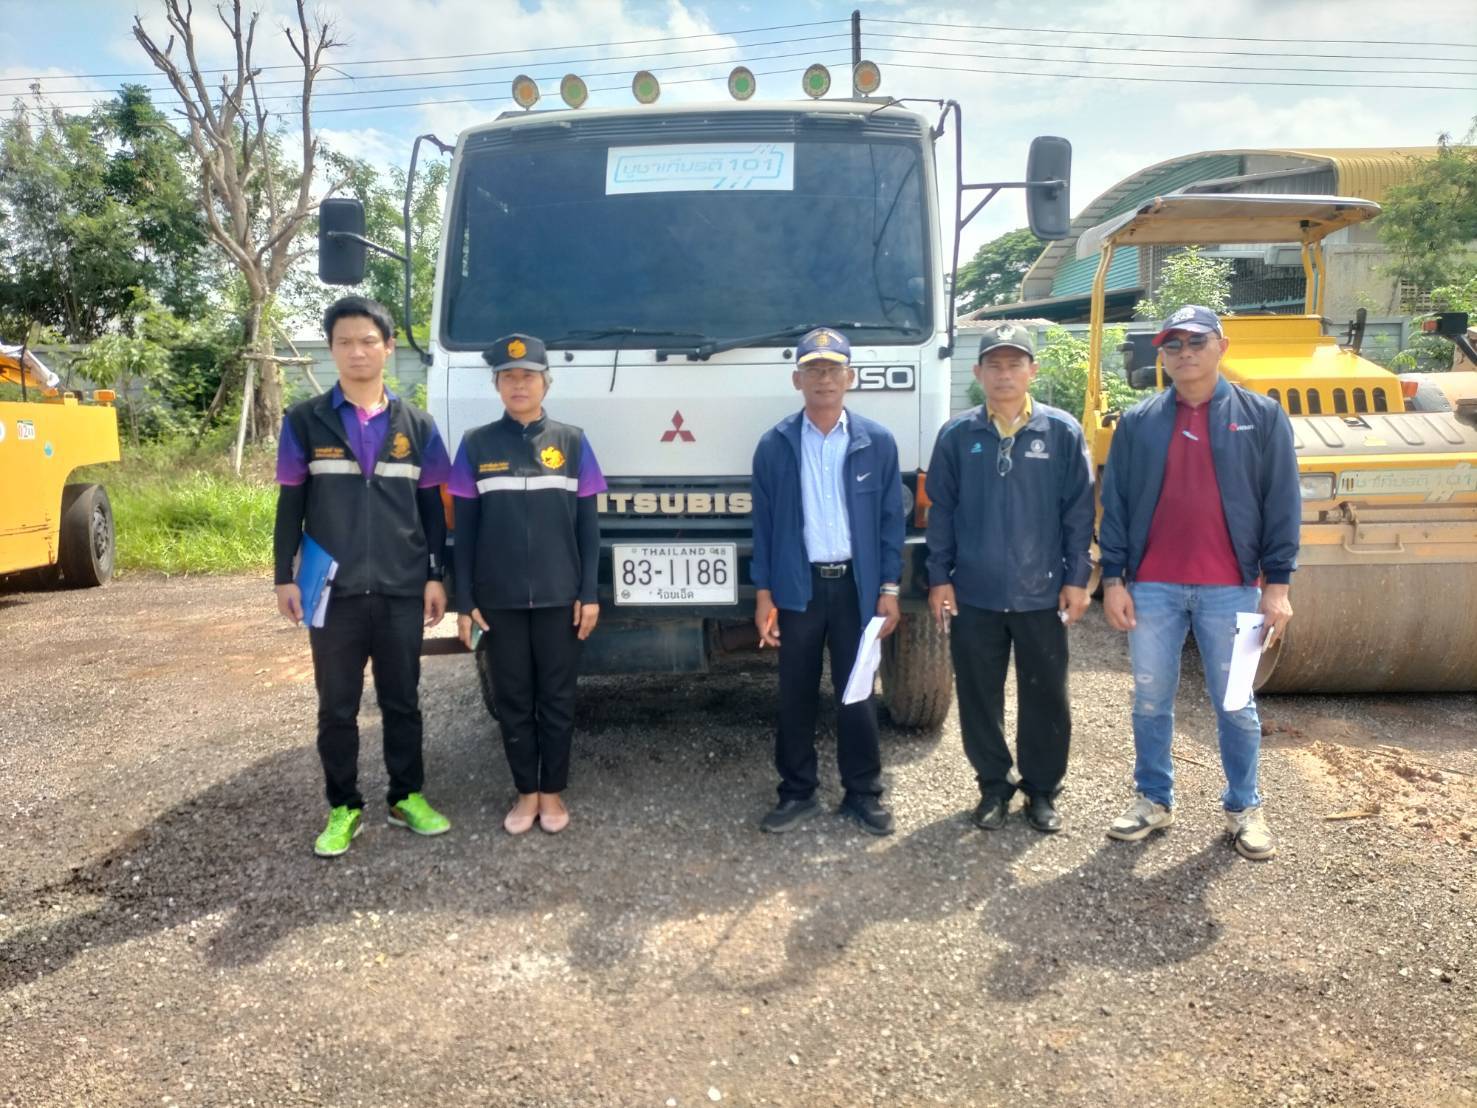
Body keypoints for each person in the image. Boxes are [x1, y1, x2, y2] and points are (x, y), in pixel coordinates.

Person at [1099, 305, 1299, 861]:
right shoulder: (1139, 422)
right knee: (1149, 699)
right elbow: (1115, 505)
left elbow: (1282, 502)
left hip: (1233, 588)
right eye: (1173, 345)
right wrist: (1113, 579)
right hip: (1152, 588)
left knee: (1236, 704)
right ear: (1162, 355)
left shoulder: (1262, 416)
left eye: (1196, 342)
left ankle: (1244, 808)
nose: (1184, 353)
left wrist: (1277, 586)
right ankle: (1153, 799)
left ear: (1221, 346)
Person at [274, 295, 453, 858]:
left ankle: (406, 797)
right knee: (337, 707)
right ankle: (344, 807)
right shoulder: (305, 421)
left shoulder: (418, 426)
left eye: (368, 341)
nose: (357, 351)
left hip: (401, 586)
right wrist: (283, 576)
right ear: (331, 350)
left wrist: (435, 575)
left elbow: (432, 508)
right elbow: (290, 503)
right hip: (333, 590)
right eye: (345, 342)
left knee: (402, 701)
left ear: (388, 348)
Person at [925, 323, 1095, 833]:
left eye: (1014, 364)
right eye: (994, 365)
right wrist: (939, 576)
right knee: (979, 696)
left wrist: (1077, 577)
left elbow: (1078, 511)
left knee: (1046, 695)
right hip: (974, 593)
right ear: (978, 373)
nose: (1004, 374)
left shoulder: (1061, 431)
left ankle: (1041, 790)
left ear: (1032, 371)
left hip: (1041, 593)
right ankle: (993, 787)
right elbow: (941, 511)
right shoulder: (957, 435)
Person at [750, 327, 906, 836]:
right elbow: (764, 526)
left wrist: (889, 588)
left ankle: (863, 794)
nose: (823, 379)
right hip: (798, 589)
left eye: (833, 370)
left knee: (856, 694)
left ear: (849, 378)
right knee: (794, 694)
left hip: (857, 591)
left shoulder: (876, 442)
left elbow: (890, 523)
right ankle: (797, 793)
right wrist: (764, 594)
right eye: (813, 370)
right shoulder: (774, 445)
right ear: (797, 380)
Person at [450, 333, 605, 836]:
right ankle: (526, 794)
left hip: (561, 598)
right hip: (499, 600)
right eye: (509, 377)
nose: (519, 385)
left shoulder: (573, 442)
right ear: (497, 385)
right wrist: (464, 599)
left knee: (557, 699)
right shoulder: (475, 444)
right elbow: (465, 533)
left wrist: (589, 594)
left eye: (529, 376)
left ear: (546, 384)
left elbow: (588, 529)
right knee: (513, 700)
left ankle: (552, 793)